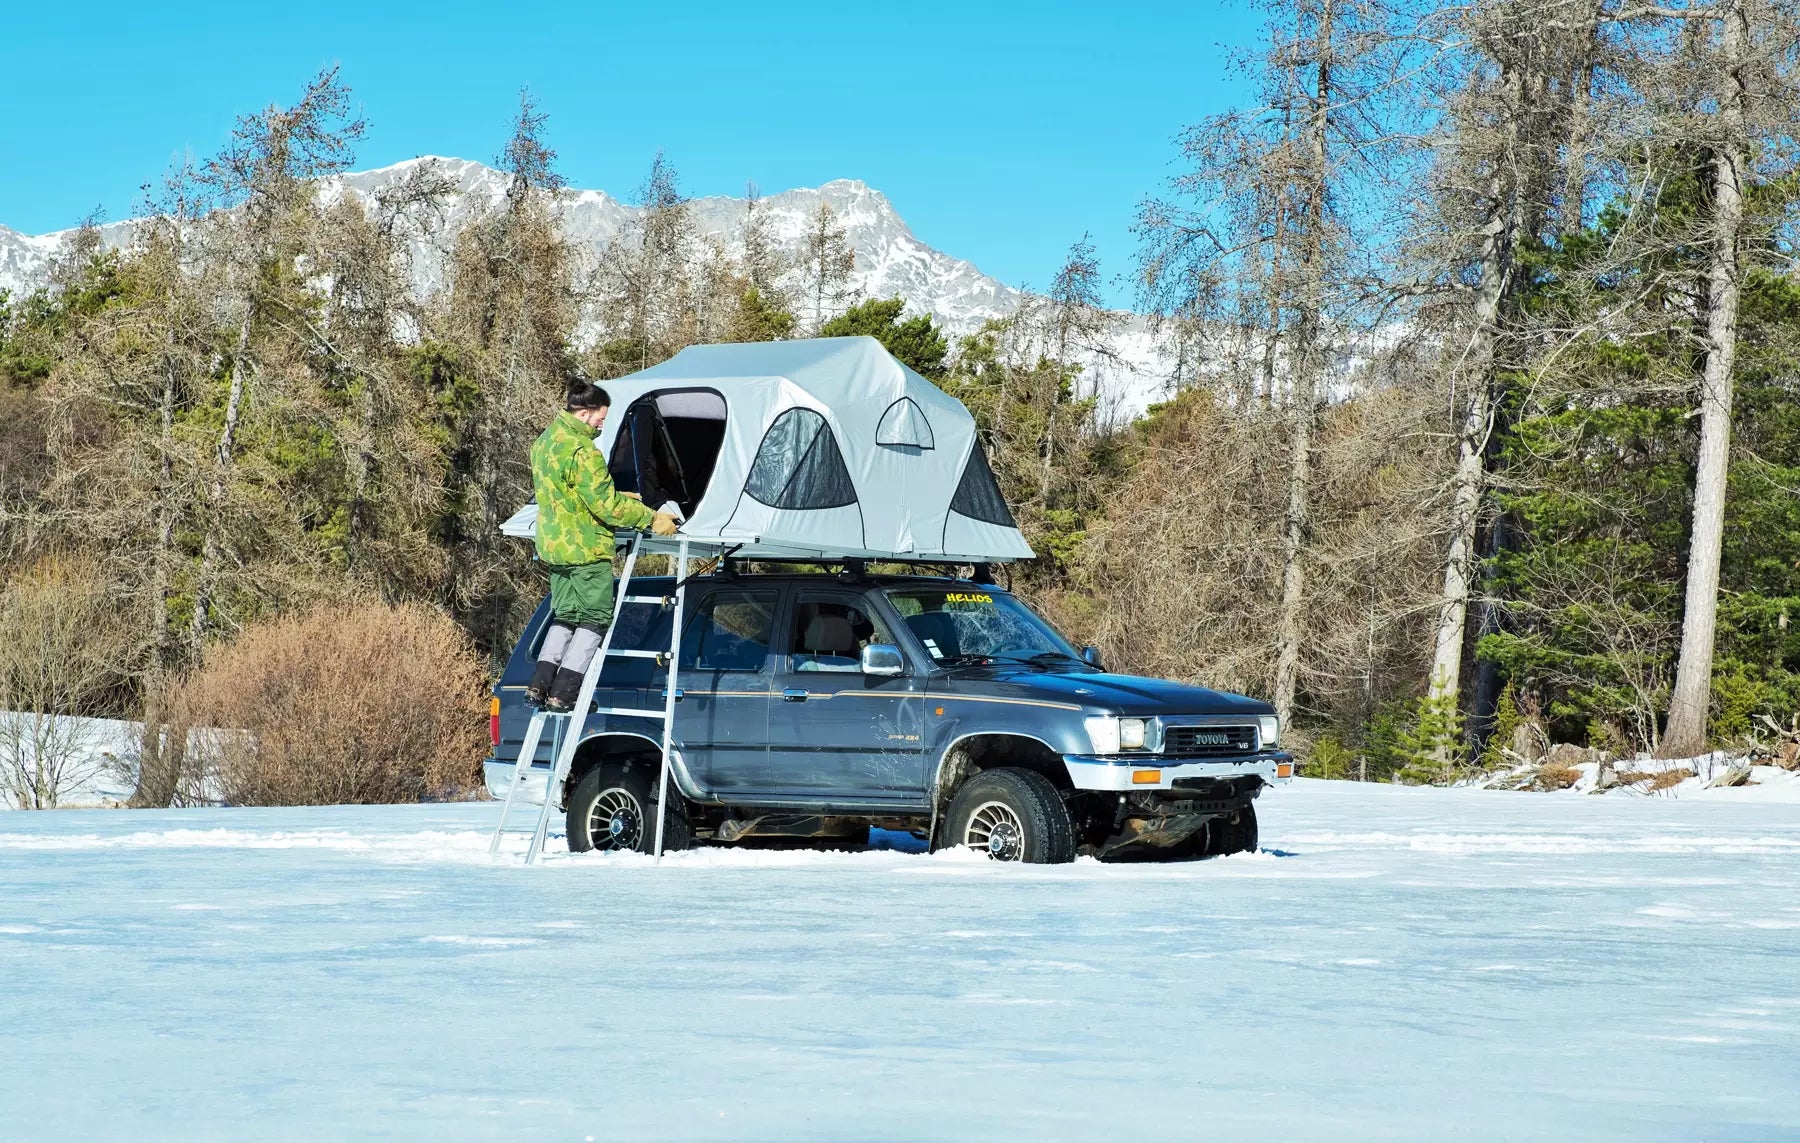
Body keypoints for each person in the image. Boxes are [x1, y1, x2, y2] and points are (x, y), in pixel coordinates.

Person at [527, 375, 680, 711]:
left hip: (556, 546)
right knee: (594, 618)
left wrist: (619, 494)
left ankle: (539, 685)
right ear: (584, 413)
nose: (601, 425)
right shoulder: (583, 451)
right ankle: (564, 693)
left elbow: (572, 494)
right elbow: (604, 505)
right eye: (600, 418)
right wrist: (650, 518)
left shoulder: (546, 441)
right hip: (586, 547)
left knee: (566, 615)